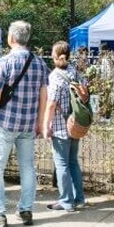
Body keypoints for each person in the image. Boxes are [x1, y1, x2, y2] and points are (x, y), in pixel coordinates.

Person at [0, 21, 49, 227]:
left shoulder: (5, 62)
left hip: (6, 124)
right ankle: (25, 209)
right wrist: (40, 123)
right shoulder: (39, 63)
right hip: (28, 125)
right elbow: (43, 96)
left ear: (11, 38)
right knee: (27, 167)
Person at [42, 40, 87, 212]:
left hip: (61, 127)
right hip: (75, 124)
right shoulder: (74, 72)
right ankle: (79, 198)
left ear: (57, 56)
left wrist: (46, 126)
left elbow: (51, 104)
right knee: (73, 162)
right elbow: (85, 94)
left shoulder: (54, 77)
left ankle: (66, 201)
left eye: (52, 54)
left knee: (62, 164)